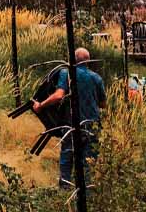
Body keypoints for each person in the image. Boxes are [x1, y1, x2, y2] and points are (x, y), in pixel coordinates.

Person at [32, 47, 107, 190]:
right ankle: (88, 192)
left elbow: (59, 95)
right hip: (93, 124)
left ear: (73, 60)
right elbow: (103, 104)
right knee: (89, 160)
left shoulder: (66, 73)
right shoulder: (97, 78)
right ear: (88, 61)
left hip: (71, 124)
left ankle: (65, 189)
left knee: (67, 156)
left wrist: (40, 105)